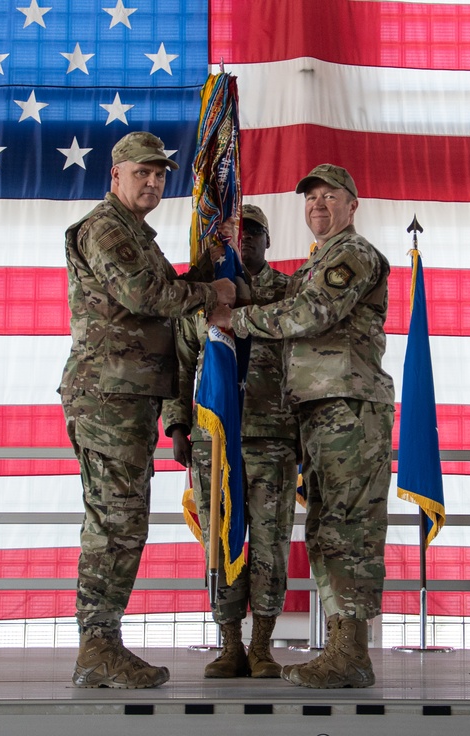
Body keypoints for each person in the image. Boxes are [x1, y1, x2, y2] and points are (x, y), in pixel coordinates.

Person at [59, 131, 236, 689]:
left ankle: (101, 643)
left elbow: (161, 296)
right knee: (115, 523)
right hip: (107, 396)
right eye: (143, 172)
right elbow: (146, 298)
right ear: (116, 175)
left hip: (126, 396)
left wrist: (207, 275)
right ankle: (98, 646)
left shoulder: (136, 233)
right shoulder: (106, 229)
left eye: (160, 174)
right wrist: (214, 293)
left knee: (122, 521)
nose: (154, 182)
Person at [210, 165, 394, 689]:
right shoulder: (320, 261)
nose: (318, 205)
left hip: (349, 407)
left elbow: (311, 314)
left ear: (352, 205)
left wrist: (238, 321)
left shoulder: (351, 255)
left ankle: (350, 651)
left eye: (329, 196)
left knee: (347, 529)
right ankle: (345, 648)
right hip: (320, 409)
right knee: (329, 529)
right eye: (311, 198)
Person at [163, 204, 299, 679]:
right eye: (234, 234)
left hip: (273, 437)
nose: (243, 241)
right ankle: (229, 643)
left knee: (269, 542)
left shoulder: (287, 292)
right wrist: (178, 425)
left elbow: (305, 364)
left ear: (268, 240)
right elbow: (180, 363)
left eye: (253, 232)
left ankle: (262, 643)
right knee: (219, 541)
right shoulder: (200, 293)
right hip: (214, 440)